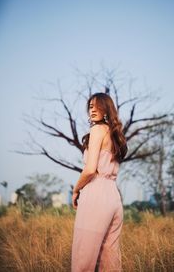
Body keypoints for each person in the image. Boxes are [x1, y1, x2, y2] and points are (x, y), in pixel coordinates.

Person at [71, 92, 128, 272]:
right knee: (109, 259)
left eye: (98, 106)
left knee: (84, 258)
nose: (93, 109)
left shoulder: (97, 130)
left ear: (107, 109)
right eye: (90, 106)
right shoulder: (116, 136)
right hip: (114, 198)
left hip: (96, 195)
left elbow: (90, 170)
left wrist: (76, 190)